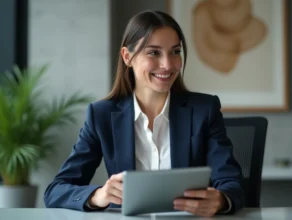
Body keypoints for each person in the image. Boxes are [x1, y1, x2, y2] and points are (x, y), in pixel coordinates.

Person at [44, 10, 244, 217]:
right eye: (154, 52)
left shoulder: (204, 110)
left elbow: (232, 183)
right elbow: (56, 191)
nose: (167, 64)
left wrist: (221, 200)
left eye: (175, 51)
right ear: (127, 57)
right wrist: (99, 195)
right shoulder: (102, 115)